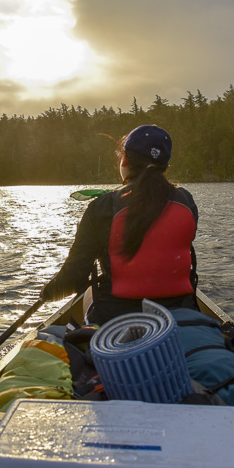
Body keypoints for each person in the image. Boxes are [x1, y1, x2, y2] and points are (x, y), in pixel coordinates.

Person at [40, 124, 199, 324]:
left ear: (124, 161)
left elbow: (73, 278)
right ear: (165, 167)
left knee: (89, 290)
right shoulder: (186, 201)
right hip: (180, 311)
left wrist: (47, 292)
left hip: (116, 316)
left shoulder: (102, 207)